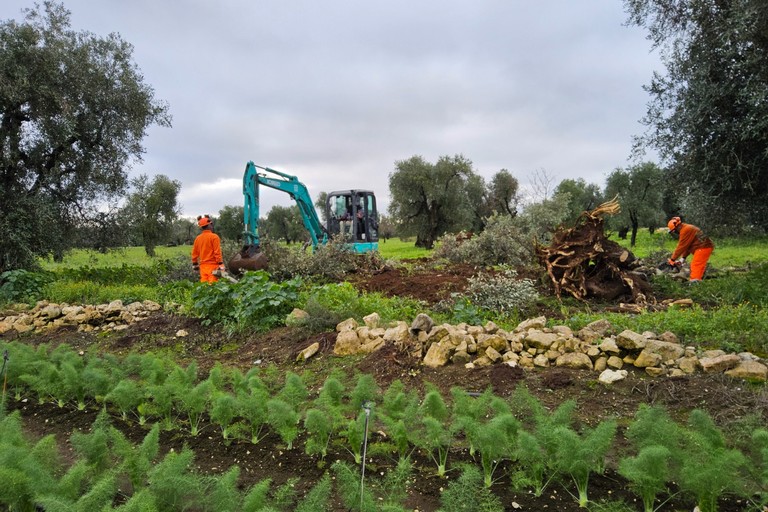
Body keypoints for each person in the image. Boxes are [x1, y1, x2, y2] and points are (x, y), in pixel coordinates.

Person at [667, 216, 714, 282]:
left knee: (696, 265)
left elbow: (681, 246)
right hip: (703, 247)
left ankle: (694, 282)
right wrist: (683, 258)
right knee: (699, 265)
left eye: (674, 231)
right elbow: (687, 245)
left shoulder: (685, 230)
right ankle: (698, 280)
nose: (675, 233)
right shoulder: (686, 228)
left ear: (677, 227)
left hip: (703, 247)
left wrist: (672, 259)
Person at [191, 215, 225, 283]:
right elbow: (217, 252)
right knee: (212, 287)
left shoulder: (198, 238)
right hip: (213, 266)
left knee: (204, 287)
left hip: (202, 267)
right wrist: (221, 264)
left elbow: (194, 253)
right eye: (211, 224)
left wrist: (195, 263)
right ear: (209, 225)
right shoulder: (214, 237)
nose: (212, 226)